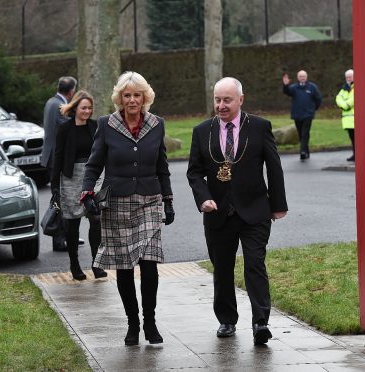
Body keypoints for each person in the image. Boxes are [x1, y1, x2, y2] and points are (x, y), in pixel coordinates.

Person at [187, 77, 288, 345]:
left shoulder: (259, 127)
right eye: (217, 100)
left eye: (227, 100)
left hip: (255, 210)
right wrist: (203, 198)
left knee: (255, 263)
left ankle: (260, 322)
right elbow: (194, 172)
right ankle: (227, 320)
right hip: (218, 212)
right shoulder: (202, 131)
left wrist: (277, 205)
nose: (221, 105)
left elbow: (274, 167)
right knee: (222, 268)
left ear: (241, 100)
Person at [81, 71, 175, 346]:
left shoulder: (157, 124)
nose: (132, 100)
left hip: (149, 200)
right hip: (117, 204)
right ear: (119, 98)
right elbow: (94, 163)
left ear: (145, 97)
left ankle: (150, 322)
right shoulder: (106, 124)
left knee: (149, 264)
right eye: (127, 95)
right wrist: (87, 192)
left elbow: (162, 166)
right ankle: (132, 324)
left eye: (137, 95)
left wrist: (168, 201)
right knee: (123, 266)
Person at [50, 90, 108, 280]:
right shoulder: (64, 128)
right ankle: (74, 265)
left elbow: (102, 152)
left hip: (93, 177)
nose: (87, 111)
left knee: (96, 220)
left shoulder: (96, 126)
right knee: (72, 225)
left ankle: (96, 264)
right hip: (70, 177)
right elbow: (57, 157)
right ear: (75, 108)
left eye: (90, 108)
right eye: (84, 108)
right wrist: (55, 187)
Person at [41, 76, 77, 252]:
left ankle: (67, 235)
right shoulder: (60, 106)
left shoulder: (50, 102)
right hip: (57, 159)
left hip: (50, 157)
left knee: (59, 197)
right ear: (71, 92)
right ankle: (58, 238)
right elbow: (67, 128)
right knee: (60, 198)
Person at [282, 70, 322, 160]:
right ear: (298, 77)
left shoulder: (312, 87)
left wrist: (313, 109)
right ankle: (306, 150)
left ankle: (303, 152)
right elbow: (287, 92)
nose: (302, 78)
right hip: (297, 114)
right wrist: (285, 85)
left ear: (306, 77)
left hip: (308, 115)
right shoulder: (294, 87)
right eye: (300, 76)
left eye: (303, 76)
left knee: (305, 133)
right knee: (300, 133)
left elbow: (318, 99)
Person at [335, 69, 355, 162]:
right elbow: (338, 98)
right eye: (347, 77)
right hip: (347, 119)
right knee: (352, 139)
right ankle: (355, 154)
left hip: (354, 118)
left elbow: (353, 99)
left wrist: (345, 105)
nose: (348, 79)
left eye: (350, 77)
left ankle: (357, 155)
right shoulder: (344, 88)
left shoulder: (356, 87)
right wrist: (344, 105)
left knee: (357, 139)